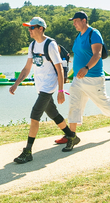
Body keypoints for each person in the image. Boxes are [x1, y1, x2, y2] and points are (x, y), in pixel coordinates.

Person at [9, 17, 77, 163]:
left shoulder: (50, 44)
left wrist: (60, 90)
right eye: (29, 28)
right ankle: (71, 136)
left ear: (41, 28)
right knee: (52, 113)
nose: (29, 30)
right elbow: (27, 68)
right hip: (40, 86)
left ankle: (27, 151)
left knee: (35, 116)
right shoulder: (32, 45)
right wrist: (16, 84)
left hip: (49, 85)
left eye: (32, 28)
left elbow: (59, 69)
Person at [65, 11, 110, 145]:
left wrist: (86, 68)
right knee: (74, 104)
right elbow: (77, 55)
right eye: (73, 21)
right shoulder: (78, 36)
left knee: (102, 102)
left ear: (84, 21)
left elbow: (97, 54)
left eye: (76, 21)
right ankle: (72, 135)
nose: (74, 23)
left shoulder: (94, 33)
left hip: (93, 78)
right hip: (78, 78)